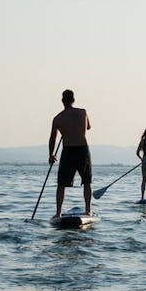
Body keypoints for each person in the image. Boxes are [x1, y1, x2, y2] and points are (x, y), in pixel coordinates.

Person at [49, 89, 93, 218]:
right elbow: (89, 127)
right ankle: (88, 210)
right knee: (86, 181)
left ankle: (58, 212)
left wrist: (51, 155)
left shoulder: (58, 118)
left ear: (62, 101)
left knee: (61, 184)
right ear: (73, 100)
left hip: (68, 150)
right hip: (82, 150)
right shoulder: (83, 112)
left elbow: (52, 138)